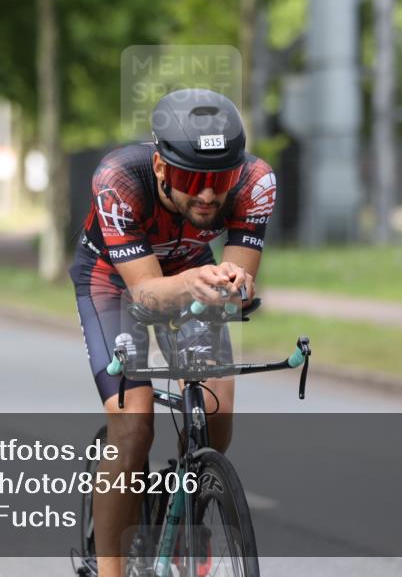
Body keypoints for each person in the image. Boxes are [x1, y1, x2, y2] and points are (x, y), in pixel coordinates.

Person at [69, 88, 277, 576]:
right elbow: (145, 294)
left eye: (220, 180)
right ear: (162, 167)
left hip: (191, 270)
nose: (207, 195)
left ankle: (181, 504)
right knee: (134, 424)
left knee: (215, 414)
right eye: (191, 179)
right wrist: (195, 283)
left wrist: (234, 285)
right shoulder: (119, 179)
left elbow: (238, 279)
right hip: (114, 282)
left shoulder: (256, 181)